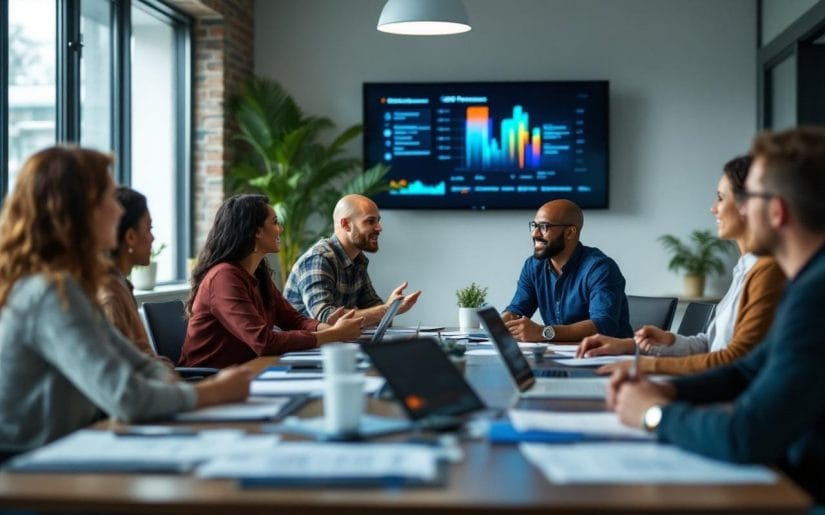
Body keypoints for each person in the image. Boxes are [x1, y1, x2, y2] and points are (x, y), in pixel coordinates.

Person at [609, 126, 825, 505]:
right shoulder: (806, 282)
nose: (739, 207)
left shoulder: (816, 294)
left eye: (749, 198)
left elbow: (748, 434)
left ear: (776, 211)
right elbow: (746, 370)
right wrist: (668, 390)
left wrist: (654, 414)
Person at [0, 146, 251, 457]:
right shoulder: (49, 292)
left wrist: (173, 386)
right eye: (107, 198)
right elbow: (127, 398)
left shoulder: (71, 286)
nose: (118, 211)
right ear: (78, 212)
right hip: (29, 478)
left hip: (68, 456)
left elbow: (138, 364)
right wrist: (214, 392)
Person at [576, 156, 786, 375]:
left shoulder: (769, 271)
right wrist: (633, 345)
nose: (713, 209)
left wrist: (641, 365)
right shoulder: (746, 268)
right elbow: (709, 344)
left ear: (747, 204)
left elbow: (733, 359)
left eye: (721, 198)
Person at [179, 194, 364, 368]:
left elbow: (293, 319)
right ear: (256, 231)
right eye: (275, 223)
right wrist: (334, 334)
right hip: (208, 381)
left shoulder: (257, 273)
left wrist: (328, 328)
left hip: (246, 372)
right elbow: (264, 342)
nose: (280, 229)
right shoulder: (224, 277)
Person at [502, 199, 632, 342]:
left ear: (570, 232)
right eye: (534, 226)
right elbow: (517, 310)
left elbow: (603, 325)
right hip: (559, 356)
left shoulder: (600, 268)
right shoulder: (533, 266)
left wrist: (544, 332)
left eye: (544, 227)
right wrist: (501, 323)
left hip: (609, 357)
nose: (535, 233)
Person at [284, 194, 420, 325]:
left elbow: (380, 317)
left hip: (330, 346)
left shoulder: (358, 261)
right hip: (302, 348)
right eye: (370, 221)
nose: (379, 228)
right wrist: (387, 310)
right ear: (346, 224)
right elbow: (327, 317)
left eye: (378, 221)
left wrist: (389, 310)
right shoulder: (319, 259)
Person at [97, 186, 173, 367]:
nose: (153, 238)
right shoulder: (110, 295)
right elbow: (127, 370)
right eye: (149, 228)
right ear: (130, 236)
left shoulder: (121, 284)